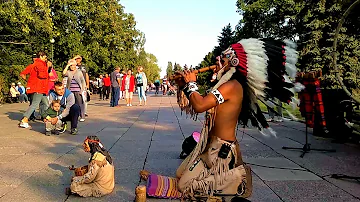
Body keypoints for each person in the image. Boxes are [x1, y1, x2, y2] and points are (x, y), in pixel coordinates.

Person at [172, 39, 301, 200]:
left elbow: (200, 105)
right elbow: (199, 101)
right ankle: (222, 177)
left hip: (220, 151)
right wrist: (184, 85)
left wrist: (191, 84)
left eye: (223, 58)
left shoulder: (232, 86)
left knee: (184, 185)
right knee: (179, 173)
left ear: (233, 62)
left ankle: (237, 179)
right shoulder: (224, 85)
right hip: (209, 146)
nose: (217, 61)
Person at [19, 51, 49, 129]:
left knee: (45, 103)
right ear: (41, 57)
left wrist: (28, 81)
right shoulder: (40, 64)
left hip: (38, 88)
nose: (46, 59)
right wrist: (47, 69)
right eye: (45, 57)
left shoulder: (32, 65)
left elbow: (23, 73)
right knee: (35, 104)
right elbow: (42, 75)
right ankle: (24, 120)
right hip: (39, 87)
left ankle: (45, 117)